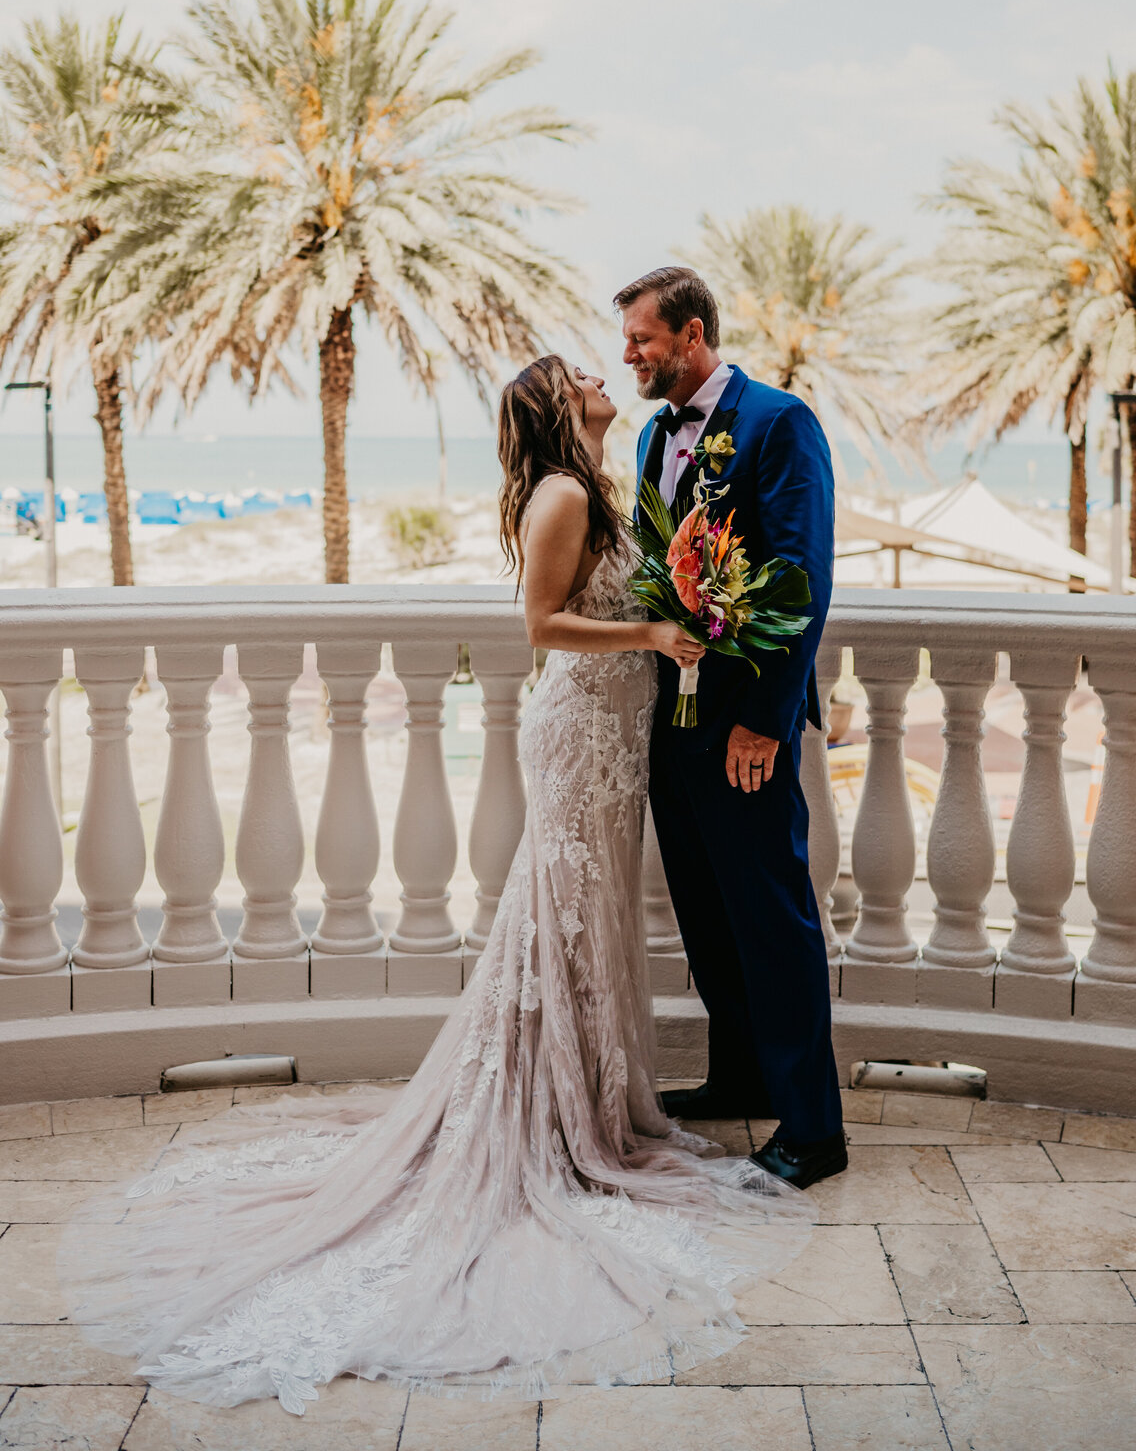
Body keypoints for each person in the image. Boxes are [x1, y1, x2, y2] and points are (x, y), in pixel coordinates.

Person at [59, 352, 813, 1417]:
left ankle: (586, 1098)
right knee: (559, 913)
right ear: (559, 405)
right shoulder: (559, 494)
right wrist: (653, 629)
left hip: (617, 735)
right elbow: (542, 627)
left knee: (587, 919)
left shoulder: (607, 480)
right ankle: (551, 1109)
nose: (607, 376)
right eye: (585, 370)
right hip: (578, 733)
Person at [619, 265, 846, 1191]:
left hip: (742, 725)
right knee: (707, 914)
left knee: (770, 916)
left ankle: (813, 1128)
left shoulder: (778, 423)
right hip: (670, 723)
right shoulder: (648, 435)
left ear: (694, 333)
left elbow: (802, 580)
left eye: (642, 337)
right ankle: (743, 1072)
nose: (629, 354)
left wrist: (763, 721)